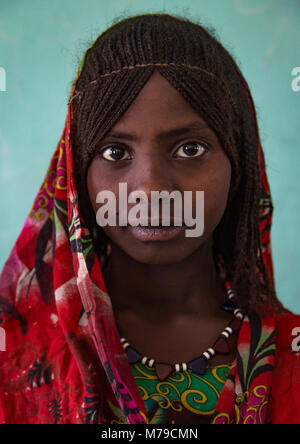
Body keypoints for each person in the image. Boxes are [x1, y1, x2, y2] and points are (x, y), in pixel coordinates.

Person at [0, 13, 299, 425]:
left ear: (240, 165)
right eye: (115, 153)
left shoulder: (292, 357)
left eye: (190, 149)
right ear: (76, 173)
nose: (151, 189)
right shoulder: (12, 357)